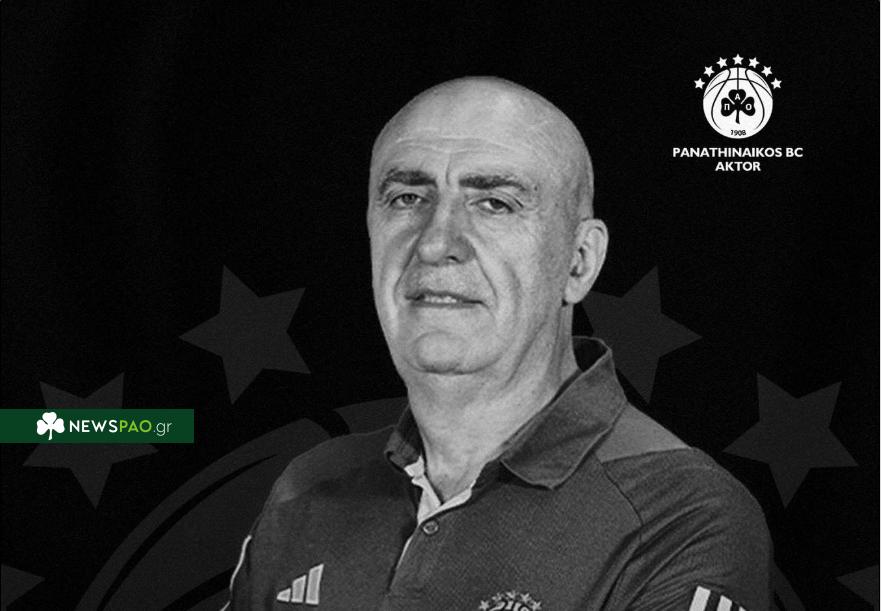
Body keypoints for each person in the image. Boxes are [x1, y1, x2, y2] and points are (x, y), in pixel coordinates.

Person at [224, 77, 770, 611]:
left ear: (579, 262)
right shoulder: (306, 489)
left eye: (495, 203)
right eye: (407, 197)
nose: (436, 243)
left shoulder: (679, 515)